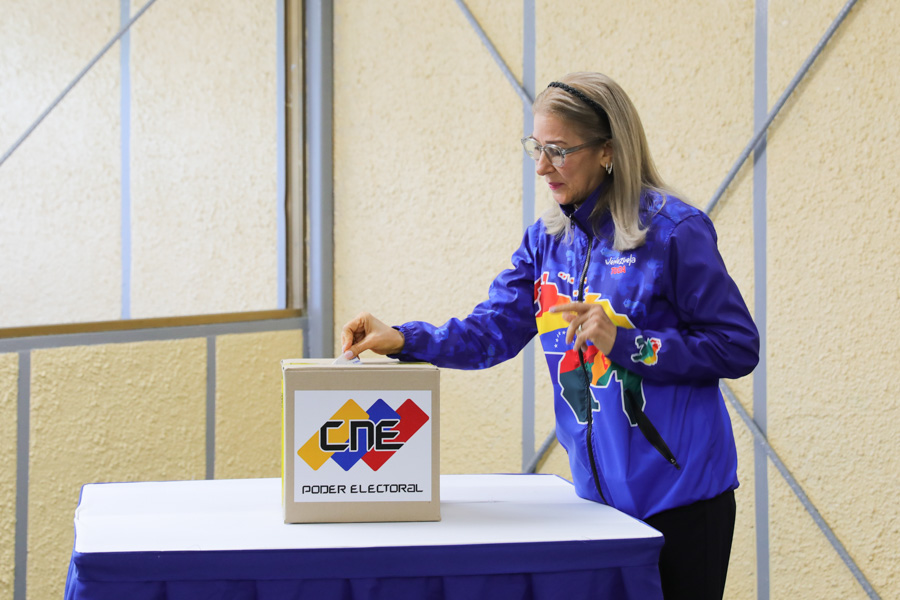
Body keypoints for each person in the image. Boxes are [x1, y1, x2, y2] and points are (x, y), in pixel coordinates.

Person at [340, 72, 759, 600]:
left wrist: (628, 344)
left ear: (607, 151)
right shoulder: (546, 242)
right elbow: (490, 332)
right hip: (595, 505)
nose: (541, 167)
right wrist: (402, 338)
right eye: (536, 148)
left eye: (558, 151)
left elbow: (737, 345)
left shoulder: (673, 231)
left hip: (682, 504)